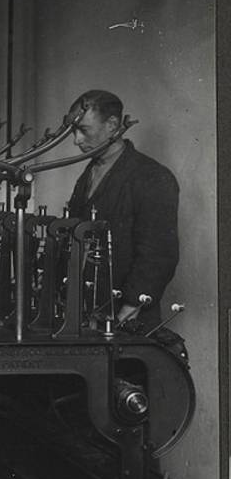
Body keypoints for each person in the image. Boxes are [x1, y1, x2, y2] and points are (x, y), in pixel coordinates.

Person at [66, 89, 179, 328]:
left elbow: (159, 253)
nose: (76, 140)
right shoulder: (88, 174)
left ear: (113, 124)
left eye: (83, 130)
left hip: (127, 317)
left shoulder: (152, 176)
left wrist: (130, 307)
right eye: (73, 131)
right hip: (89, 311)